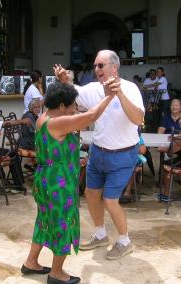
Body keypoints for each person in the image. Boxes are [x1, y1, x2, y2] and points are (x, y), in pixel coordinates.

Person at [54, 50, 145, 260]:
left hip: (123, 154)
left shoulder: (130, 89)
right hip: (98, 151)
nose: (97, 70)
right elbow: (75, 93)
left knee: (110, 200)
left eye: (101, 65)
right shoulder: (94, 88)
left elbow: (138, 119)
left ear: (115, 67)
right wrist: (65, 81)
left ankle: (124, 241)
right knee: (90, 193)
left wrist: (119, 94)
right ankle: (100, 233)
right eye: (95, 65)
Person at [21, 83, 115, 284]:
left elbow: (59, 145)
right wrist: (109, 96)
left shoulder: (43, 118)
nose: (75, 109)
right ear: (62, 106)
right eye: (73, 105)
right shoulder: (58, 123)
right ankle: (56, 273)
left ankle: (31, 262)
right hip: (58, 182)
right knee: (63, 223)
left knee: (45, 219)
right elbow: (90, 117)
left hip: (46, 178)